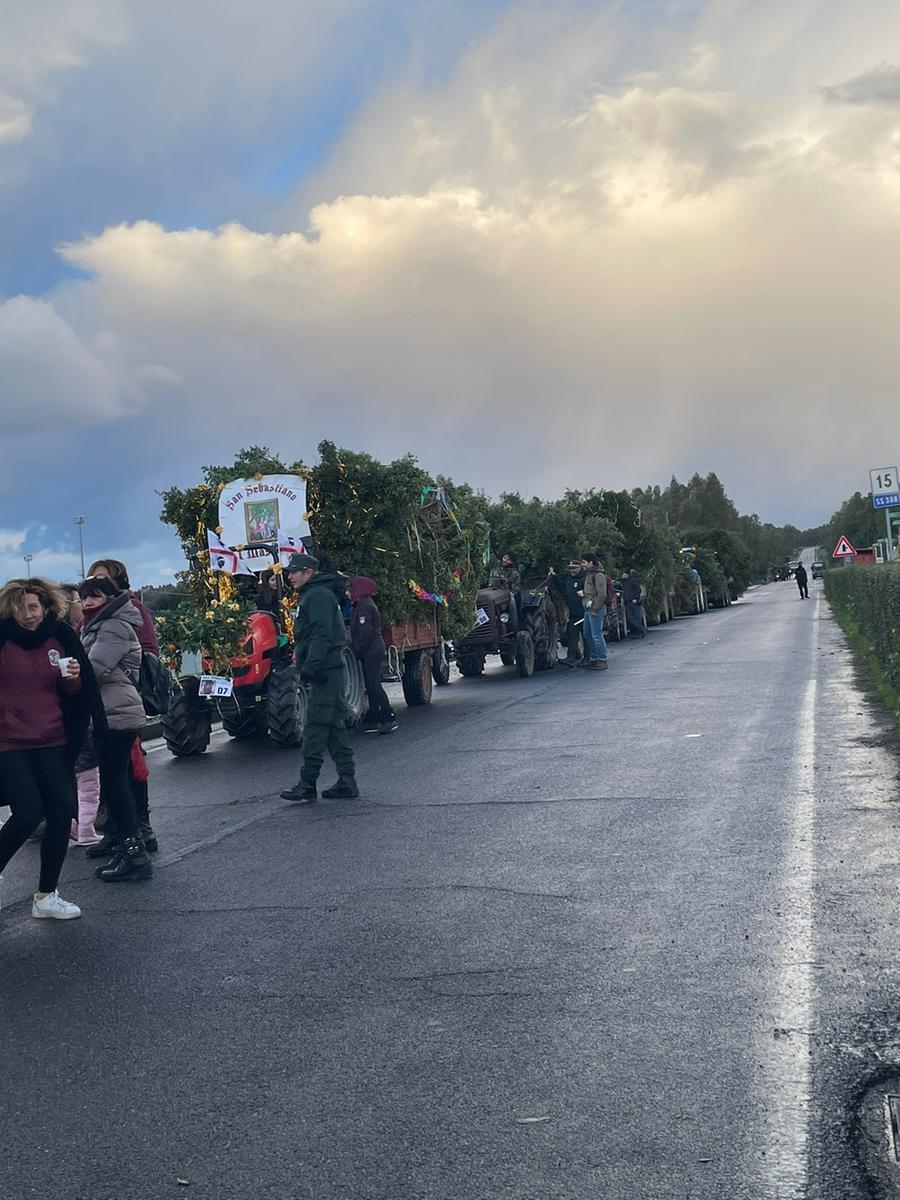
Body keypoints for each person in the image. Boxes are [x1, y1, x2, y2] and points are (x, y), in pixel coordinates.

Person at [0, 577, 103, 918]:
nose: (28, 614)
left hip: (53, 738)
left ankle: (46, 896)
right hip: (9, 741)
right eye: (20, 608)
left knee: (61, 811)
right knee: (29, 811)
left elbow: (77, 694)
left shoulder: (60, 636)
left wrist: (73, 679)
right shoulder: (2, 638)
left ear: (46, 607)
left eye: (33, 606)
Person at [79, 576, 152, 881]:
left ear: (110, 598)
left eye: (94, 596)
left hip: (115, 713)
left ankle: (134, 854)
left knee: (115, 783)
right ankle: (127, 847)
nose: (87, 602)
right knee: (114, 782)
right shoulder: (97, 625)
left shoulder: (113, 626)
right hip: (109, 712)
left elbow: (93, 669)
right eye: (84, 597)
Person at [280, 554, 358, 803]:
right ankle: (347, 779)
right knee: (334, 726)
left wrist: (309, 668)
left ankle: (308, 782)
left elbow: (321, 635)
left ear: (308, 573)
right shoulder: (315, 595)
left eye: (294, 572)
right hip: (328, 668)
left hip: (324, 670)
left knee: (314, 726)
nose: (290, 577)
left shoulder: (316, 596)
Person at [349, 576, 397, 734]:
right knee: (370, 684)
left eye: (350, 589)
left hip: (372, 651)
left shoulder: (364, 606)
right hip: (370, 650)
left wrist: (357, 650)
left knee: (374, 684)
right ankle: (374, 717)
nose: (348, 592)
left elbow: (365, 632)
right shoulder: (362, 604)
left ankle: (388, 716)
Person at [580, 553, 609, 671]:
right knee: (587, 634)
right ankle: (594, 658)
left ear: (591, 563)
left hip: (595, 609)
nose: (582, 565)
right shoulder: (589, 575)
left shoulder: (598, 575)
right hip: (588, 609)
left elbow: (602, 594)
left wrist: (595, 607)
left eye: (584, 562)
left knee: (596, 635)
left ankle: (602, 659)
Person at [562, 561, 589, 667]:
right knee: (572, 635)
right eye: (570, 568)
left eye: (574, 568)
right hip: (573, 613)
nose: (572, 570)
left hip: (583, 612)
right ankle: (571, 658)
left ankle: (587, 658)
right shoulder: (569, 579)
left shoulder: (585, 578)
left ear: (580, 567)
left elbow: (591, 592)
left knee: (586, 636)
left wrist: (584, 594)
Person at [621, 569, 646, 638]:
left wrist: (635, 598)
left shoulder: (633, 580)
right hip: (627, 602)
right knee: (630, 618)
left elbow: (638, 590)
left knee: (636, 617)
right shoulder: (624, 582)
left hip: (633, 601)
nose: (622, 575)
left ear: (626, 574)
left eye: (623, 574)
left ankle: (641, 630)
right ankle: (640, 630)